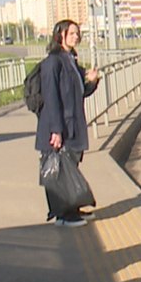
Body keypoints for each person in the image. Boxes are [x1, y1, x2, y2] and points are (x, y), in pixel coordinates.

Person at [35, 19, 100, 227]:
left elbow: (79, 93)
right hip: (58, 125)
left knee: (68, 167)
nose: (76, 37)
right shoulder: (53, 62)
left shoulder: (69, 59)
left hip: (71, 123)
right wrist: (55, 129)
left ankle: (72, 209)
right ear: (60, 35)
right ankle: (62, 215)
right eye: (72, 33)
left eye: (77, 33)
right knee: (57, 170)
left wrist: (92, 81)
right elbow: (52, 97)